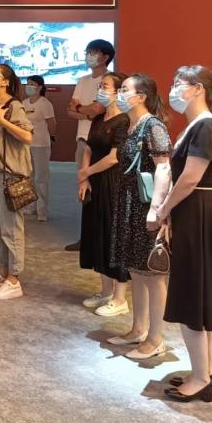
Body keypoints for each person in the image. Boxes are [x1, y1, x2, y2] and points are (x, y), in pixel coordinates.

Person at [156, 65, 212, 401]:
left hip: (198, 215)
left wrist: (163, 210)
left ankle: (201, 377)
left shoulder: (205, 125)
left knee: (193, 296)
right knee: (200, 297)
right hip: (199, 213)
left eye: (179, 83)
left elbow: (190, 178)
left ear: (198, 89)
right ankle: (205, 371)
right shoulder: (199, 125)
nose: (174, 89)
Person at [107, 74, 174, 355]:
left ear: (141, 96)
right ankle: (138, 329)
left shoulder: (153, 126)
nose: (120, 94)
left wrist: (157, 209)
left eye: (125, 89)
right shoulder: (130, 125)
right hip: (128, 203)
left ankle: (156, 338)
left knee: (152, 274)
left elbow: (164, 168)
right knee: (136, 270)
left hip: (146, 206)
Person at [0, 63, 34, 300]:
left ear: (6, 81)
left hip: (9, 174)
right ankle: (3, 273)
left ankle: (14, 279)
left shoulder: (14, 106)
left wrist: (3, 122)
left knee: (11, 228)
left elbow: (27, 136)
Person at [77, 72, 131, 314]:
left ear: (118, 91)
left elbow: (114, 157)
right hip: (94, 183)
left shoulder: (124, 121)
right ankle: (105, 291)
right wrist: (84, 178)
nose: (100, 89)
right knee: (97, 234)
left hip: (113, 183)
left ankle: (120, 298)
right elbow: (88, 148)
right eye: (100, 85)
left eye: (105, 86)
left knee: (113, 236)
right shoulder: (99, 118)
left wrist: (86, 171)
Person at [65, 39, 115, 251]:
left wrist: (82, 109)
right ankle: (86, 237)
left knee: (102, 190)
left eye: (93, 52)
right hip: (82, 140)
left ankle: (103, 238)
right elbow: (70, 110)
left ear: (105, 56)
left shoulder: (110, 80)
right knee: (84, 188)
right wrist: (86, 111)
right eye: (87, 52)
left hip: (101, 140)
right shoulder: (82, 81)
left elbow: (98, 110)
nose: (88, 56)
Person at [23, 74, 56, 222]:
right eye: (28, 83)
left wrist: (51, 136)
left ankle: (42, 210)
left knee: (40, 178)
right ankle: (30, 206)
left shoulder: (45, 104)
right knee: (28, 176)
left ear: (40, 87)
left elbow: (52, 123)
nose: (29, 86)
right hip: (26, 144)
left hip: (41, 144)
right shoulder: (24, 103)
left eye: (32, 84)